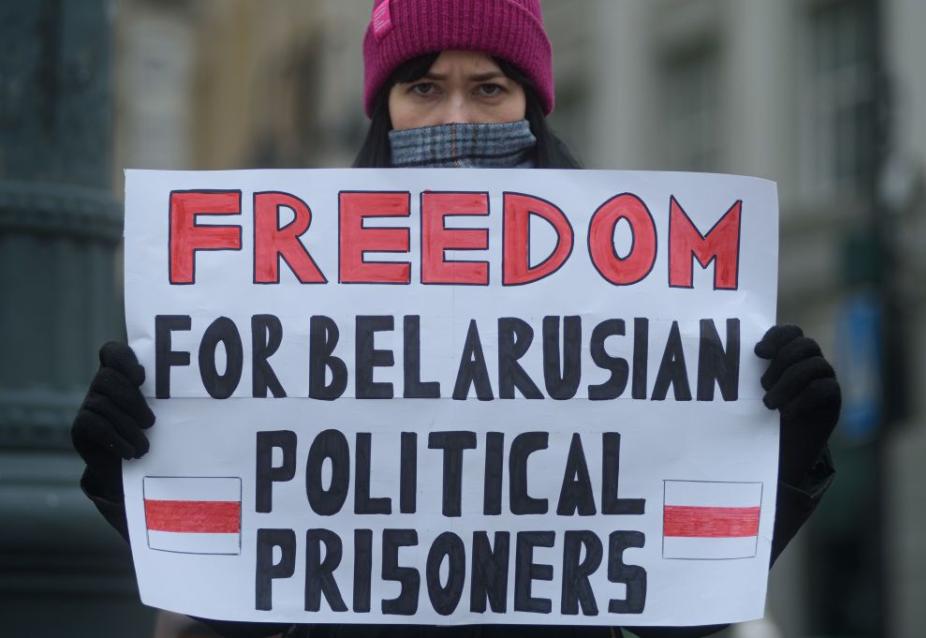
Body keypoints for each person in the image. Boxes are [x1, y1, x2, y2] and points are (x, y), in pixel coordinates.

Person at [71, 1, 841, 637]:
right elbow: (238, 614)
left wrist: (783, 471)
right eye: (425, 88)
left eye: (490, 88)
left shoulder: (640, 310)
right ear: (384, 110)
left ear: (531, 106)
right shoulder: (284, 310)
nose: (459, 117)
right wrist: (135, 481)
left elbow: (675, 611)